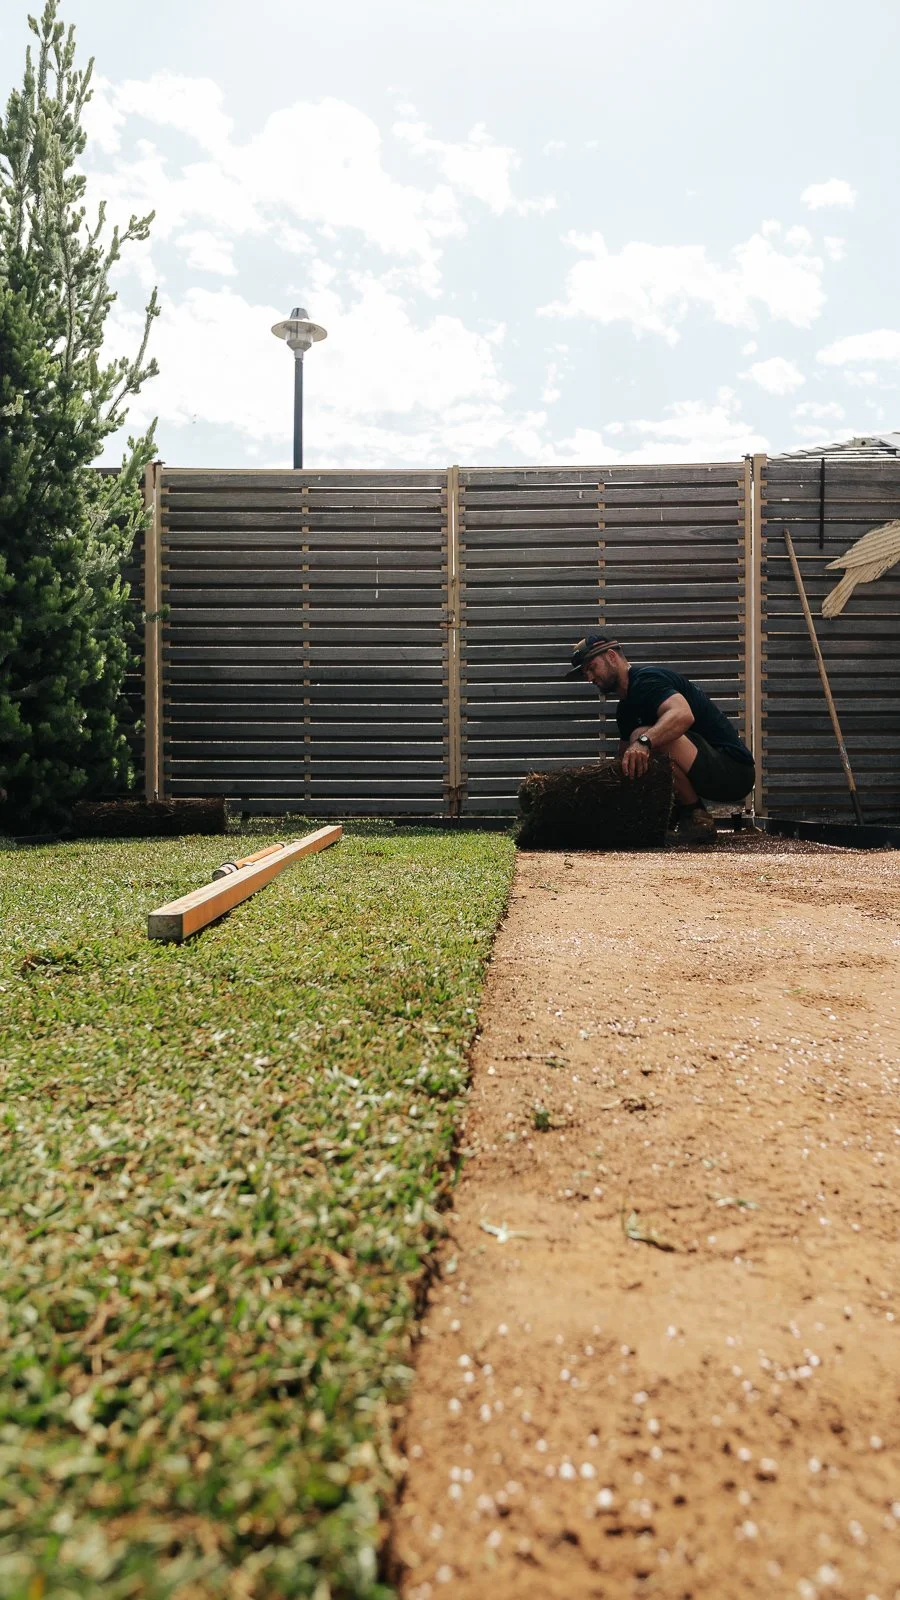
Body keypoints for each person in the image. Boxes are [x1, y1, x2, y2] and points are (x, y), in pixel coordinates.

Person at [565, 632, 755, 845]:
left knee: (641, 736)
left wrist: (645, 742)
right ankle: (678, 815)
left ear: (611, 656)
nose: (590, 678)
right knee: (634, 754)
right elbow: (624, 765)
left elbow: (683, 714)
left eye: (591, 668)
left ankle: (696, 817)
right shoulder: (625, 711)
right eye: (585, 673)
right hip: (704, 771)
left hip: (734, 771)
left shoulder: (648, 680)